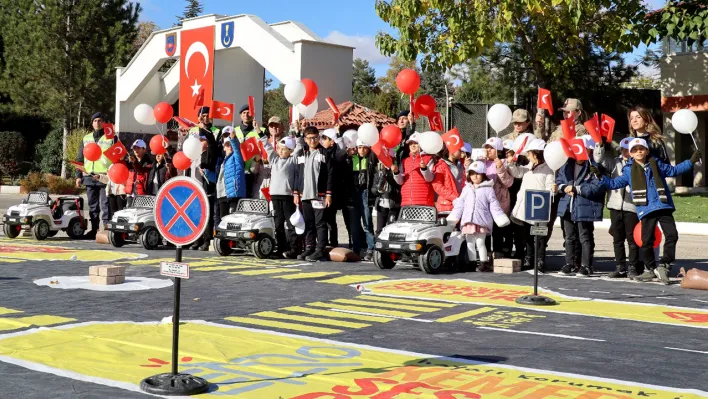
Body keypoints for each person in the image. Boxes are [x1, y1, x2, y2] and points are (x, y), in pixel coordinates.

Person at [596, 138, 700, 284]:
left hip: (663, 205)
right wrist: (600, 177)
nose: (638, 151)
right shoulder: (627, 171)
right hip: (645, 209)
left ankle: (664, 264)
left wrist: (691, 161)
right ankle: (650, 269)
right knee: (646, 241)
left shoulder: (656, 163)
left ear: (646, 151)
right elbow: (614, 183)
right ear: (630, 153)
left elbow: (674, 170)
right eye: (634, 149)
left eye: (641, 149)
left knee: (672, 235)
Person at [554, 136, 605, 277]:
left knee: (585, 236)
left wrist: (576, 189)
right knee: (569, 237)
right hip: (567, 206)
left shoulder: (593, 167)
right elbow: (559, 180)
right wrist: (563, 187)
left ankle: (586, 265)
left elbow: (597, 186)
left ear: (589, 150)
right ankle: (570, 263)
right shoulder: (567, 164)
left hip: (585, 207)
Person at [501, 139, 555, 272]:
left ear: (536, 153)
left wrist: (553, 190)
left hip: (540, 207)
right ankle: (529, 258)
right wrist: (512, 164)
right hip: (527, 206)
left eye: (529, 152)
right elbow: (518, 172)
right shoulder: (530, 166)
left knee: (540, 236)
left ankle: (540, 260)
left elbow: (549, 188)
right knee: (528, 234)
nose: (528, 155)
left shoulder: (548, 169)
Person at [448, 160, 510, 272]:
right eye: (472, 174)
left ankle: (483, 262)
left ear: (483, 175)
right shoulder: (466, 189)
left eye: (478, 174)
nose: (475, 176)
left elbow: (494, 205)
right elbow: (460, 204)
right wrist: (453, 217)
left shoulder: (488, 189)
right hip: (468, 221)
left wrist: (499, 216)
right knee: (469, 243)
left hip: (482, 221)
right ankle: (472, 263)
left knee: (480, 243)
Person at [600, 137, 641, 279]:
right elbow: (602, 162)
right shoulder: (615, 162)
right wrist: (600, 145)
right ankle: (620, 267)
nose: (625, 152)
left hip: (631, 207)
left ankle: (632, 267)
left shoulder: (637, 164)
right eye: (622, 149)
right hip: (615, 205)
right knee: (617, 239)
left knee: (632, 239)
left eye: (627, 150)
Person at [75, 112, 116, 239]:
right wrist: (78, 176)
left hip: (104, 177)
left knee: (105, 205)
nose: (97, 123)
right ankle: (94, 230)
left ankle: (107, 231)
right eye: (95, 121)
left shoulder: (111, 138)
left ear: (104, 123)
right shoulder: (86, 138)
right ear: (92, 123)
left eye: (100, 120)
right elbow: (80, 158)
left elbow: (117, 157)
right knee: (92, 206)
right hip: (88, 176)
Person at [296, 126, 334, 262]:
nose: (312, 140)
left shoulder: (324, 154)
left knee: (320, 223)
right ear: (305, 139)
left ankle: (320, 249)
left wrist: (329, 194)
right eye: (309, 138)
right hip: (304, 194)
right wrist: (296, 193)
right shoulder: (301, 153)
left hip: (319, 194)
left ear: (319, 137)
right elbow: (297, 174)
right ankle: (309, 247)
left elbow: (330, 174)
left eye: (315, 138)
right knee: (308, 223)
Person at [185, 106, 218, 251]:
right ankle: (196, 238)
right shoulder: (192, 131)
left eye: (207, 115)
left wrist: (203, 130)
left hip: (207, 174)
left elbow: (214, 148)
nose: (205, 118)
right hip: (193, 172)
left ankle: (206, 238)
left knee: (206, 208)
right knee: (194, 208)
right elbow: (185, 150)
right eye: (202, 115)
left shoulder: (216, 131)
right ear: (198, 117)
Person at [264, 136, 302, 258]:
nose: (280, 151)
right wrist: (260, 134)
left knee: (290, 224)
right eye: (279, 148)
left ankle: (294, 248)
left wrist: (298, 134)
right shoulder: (274, 160)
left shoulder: (292, 160)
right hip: (275, 196)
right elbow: (268, 148)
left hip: (287, 196)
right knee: (278, 223)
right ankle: (281, 248)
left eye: (284, 149)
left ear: (290, 151)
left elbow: (299, 148)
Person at [346, 139, 378, 260]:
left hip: (365, 193)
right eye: (359, 147)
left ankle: (371, 248)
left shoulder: (370, 159)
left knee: (367, 223)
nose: (361, 150)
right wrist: (347, 153)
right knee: (354, 225)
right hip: (353, 195)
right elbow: (340, 160)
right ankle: (356, 249)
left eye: (364, 147)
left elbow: (376, 153)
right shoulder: (351, 159)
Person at [482, 137, 513, 259]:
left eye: (491, 148)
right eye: (487, 148)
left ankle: (498, 255)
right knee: (485, 229)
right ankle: (485, 256)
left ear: (499, 151)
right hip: (484, 202)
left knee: (497, 230)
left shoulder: (504, 163)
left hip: (499, 202)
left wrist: (500, 168)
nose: (488, 150)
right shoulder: (482, 162)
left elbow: (509, 182)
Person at [391, 133, 435, 207]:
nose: (413, 146)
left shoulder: (428, 159)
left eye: (416, 143)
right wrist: (396, 172)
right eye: (411, 144)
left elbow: (430, 179)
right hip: (406, 202)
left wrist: (424, 168)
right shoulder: (405, 161)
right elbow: (400, 181)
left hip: (423, 202)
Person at [216, 130, 246, 221]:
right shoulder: (222, 162)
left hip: (234, 194)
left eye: (231, 144)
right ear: (224, 147)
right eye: (227, 145)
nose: (230, 147)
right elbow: (219, 179)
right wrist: (207, 174)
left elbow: (237, 148)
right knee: (223, 220)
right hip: (222, 195)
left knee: (235, 221)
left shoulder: (237, 157)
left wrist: (233, 139)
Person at [431, 147, 461, 213]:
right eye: (459, 149)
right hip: (446, 206)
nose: (461, 151)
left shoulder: (461, 165)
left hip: (460, 204)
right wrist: (455, 197)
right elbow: (437, 186)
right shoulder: (441, 166)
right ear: (451, 150)